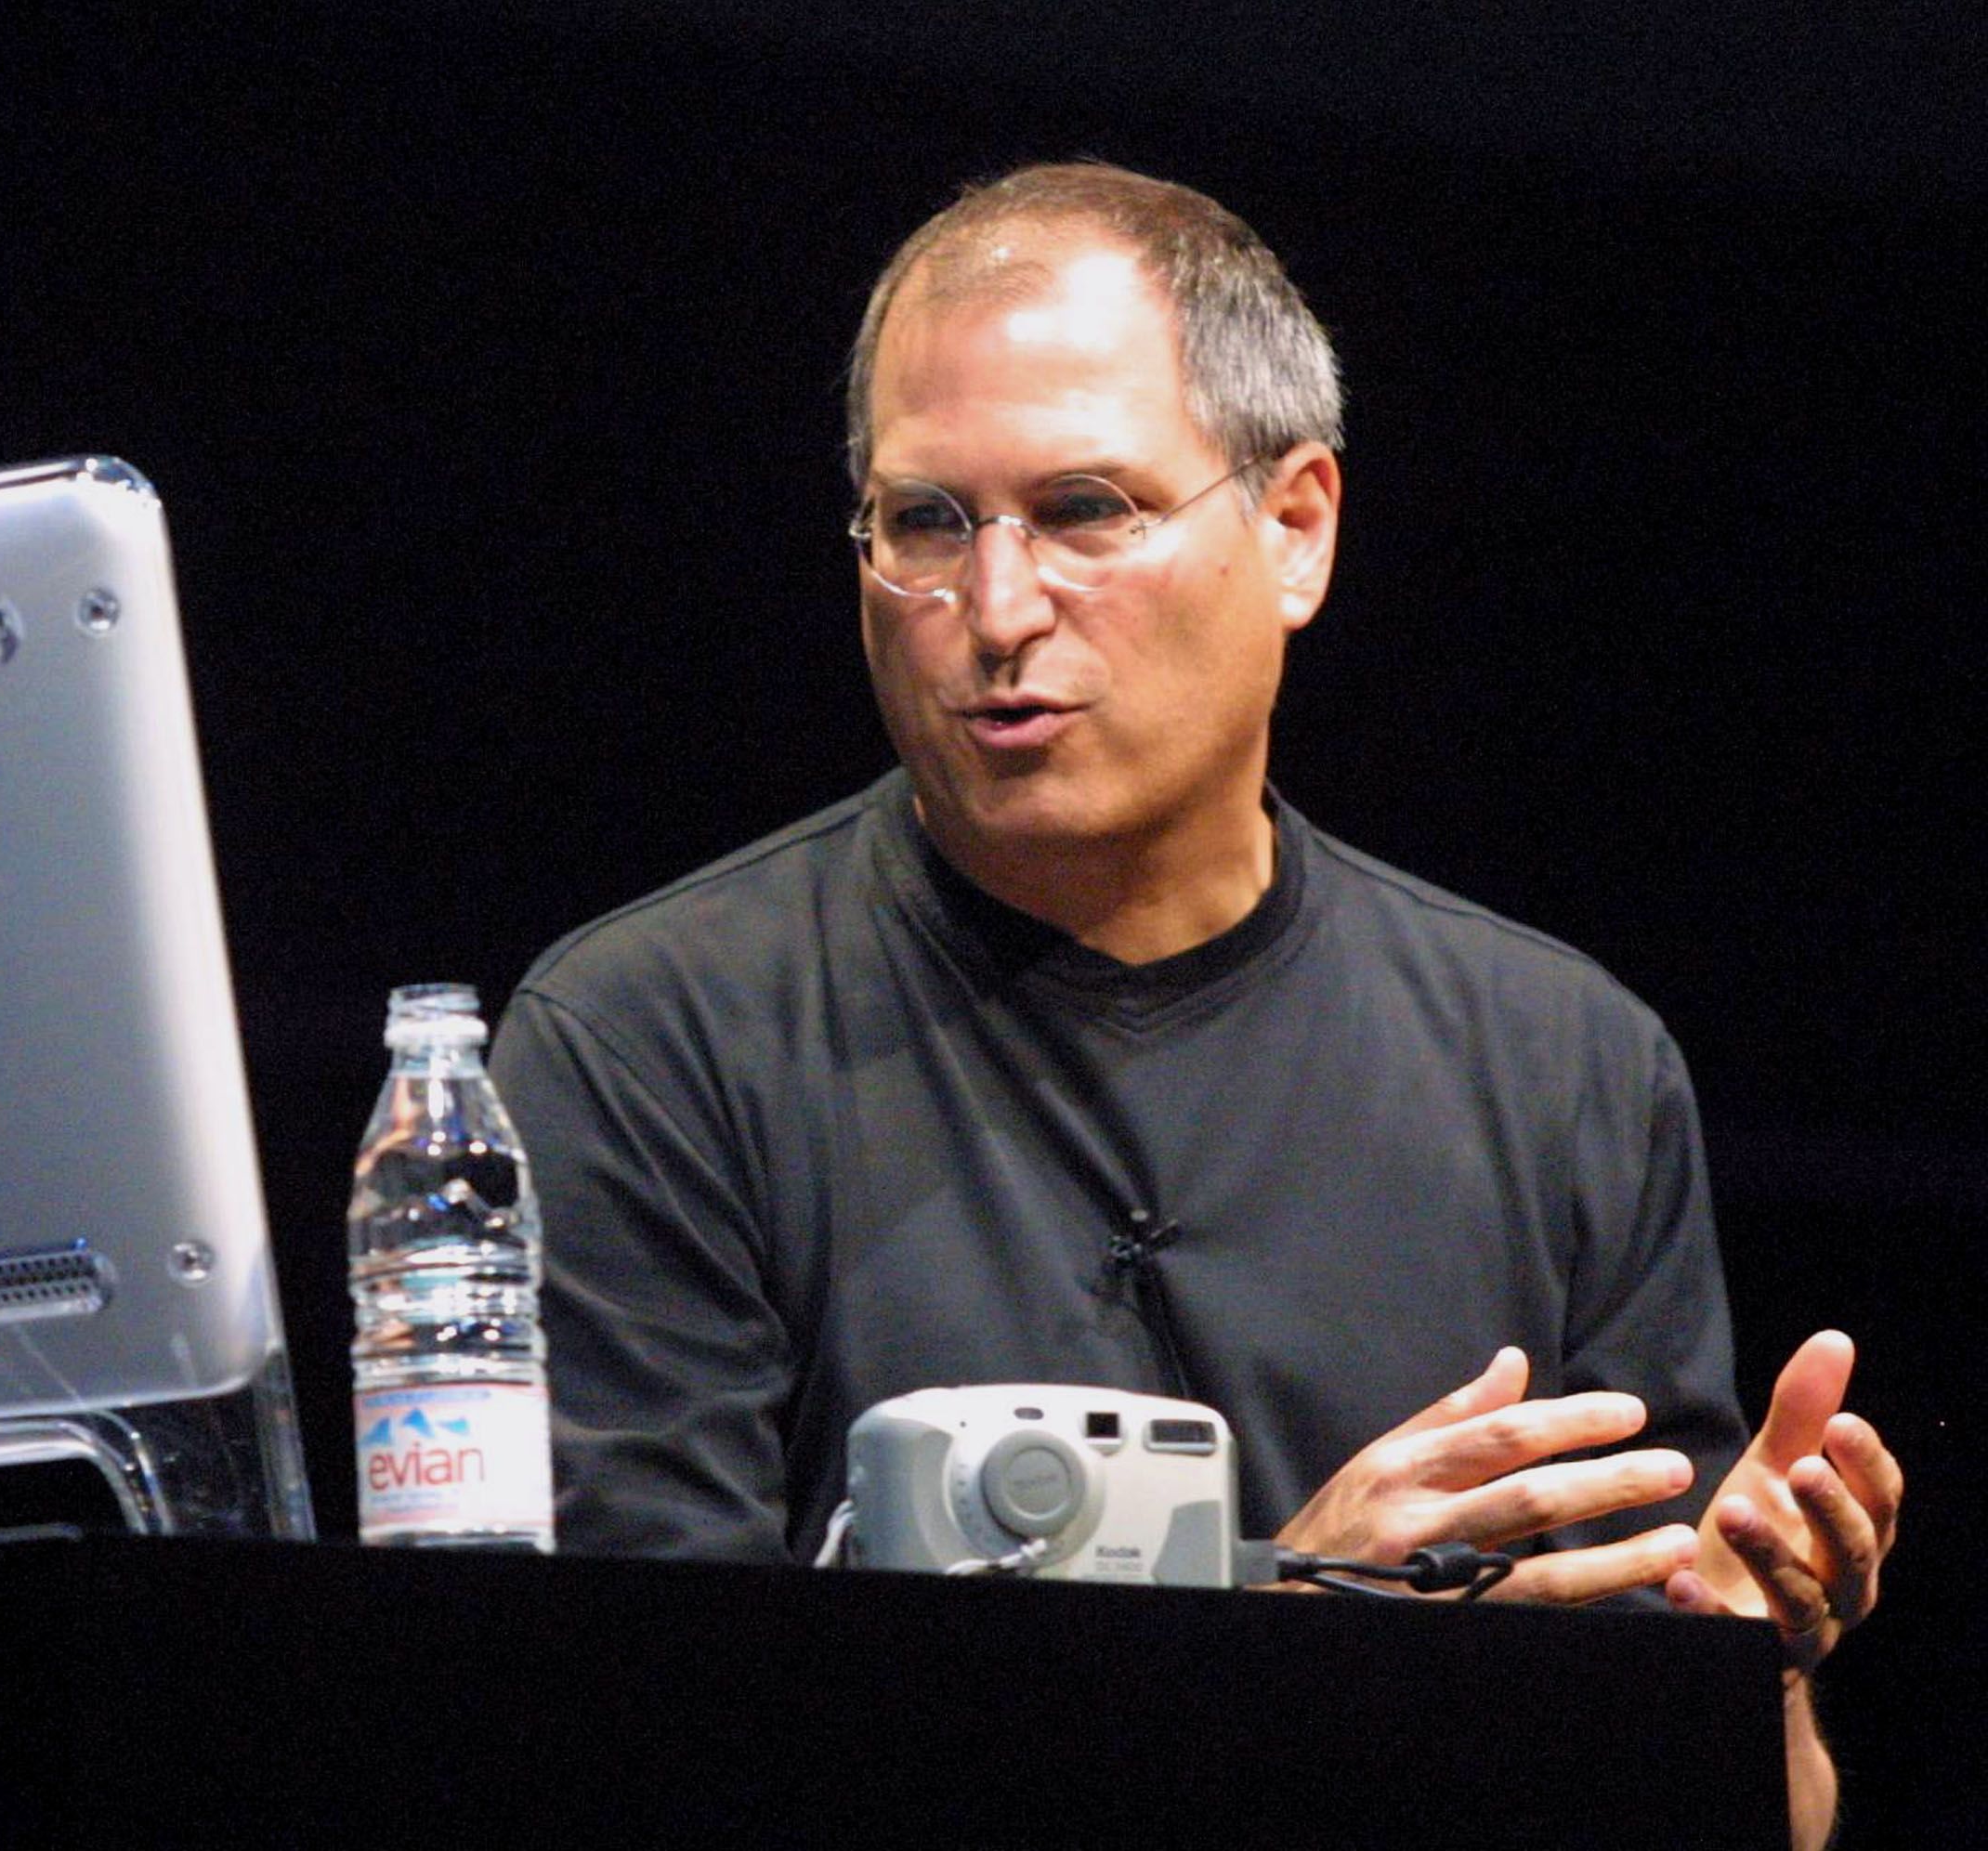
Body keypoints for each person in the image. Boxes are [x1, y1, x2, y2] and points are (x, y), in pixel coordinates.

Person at [487, 163, 1899, 1849]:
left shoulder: (1565, 1065)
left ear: (1295, 527)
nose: (993, 614)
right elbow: (625, 1751)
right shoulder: (650, 1042)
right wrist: (1289, 1648)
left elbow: (1767, 1820)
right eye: (924, 522)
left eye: (1086, 508)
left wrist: (1760, 1669)